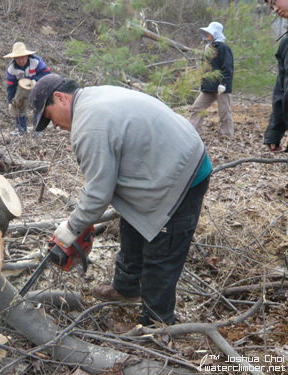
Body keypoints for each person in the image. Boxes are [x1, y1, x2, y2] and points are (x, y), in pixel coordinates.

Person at [29, 74, 212, 326]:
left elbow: (98, 193)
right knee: (133, 221)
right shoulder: (92, 97)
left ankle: (156, 325)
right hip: (163, 161)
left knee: (161, 251)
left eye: (49, 117)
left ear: (60, 98)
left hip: (183, 174)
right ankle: (127, 288)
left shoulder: (89, 126)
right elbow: (101, 180)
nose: (55, 126)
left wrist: (72, 228)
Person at [189, 22, 234, 138]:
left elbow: (228, 67)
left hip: (221, 87)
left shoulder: (223, 48)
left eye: (209, 32)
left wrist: (224, 83)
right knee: (197, 108)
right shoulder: (207, 48)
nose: (206, 34)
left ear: (215, 33)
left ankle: (227, 136)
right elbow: (205, 68)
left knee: (224, 113)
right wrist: (202, 82)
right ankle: (192, 133)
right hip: (208, 87)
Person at [3, 42, 50, 136]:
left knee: (39, 106)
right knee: (17, 105)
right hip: (21, 89)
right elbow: (11, 86)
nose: (20, 61)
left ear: (27, 55)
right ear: (14, 58)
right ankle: (22, 131)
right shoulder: (11, 69)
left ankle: (37, 130)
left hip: (37, 86)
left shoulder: (36, 61)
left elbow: (47, 73)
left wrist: (35, 80)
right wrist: (10, 101)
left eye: (22, 57)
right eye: (17, 58)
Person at [263, 0, 288, 151]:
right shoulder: (286, 43)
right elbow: (282, 90)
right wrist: (274, 132)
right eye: (271, 5)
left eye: (275, 1)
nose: (275, 8)